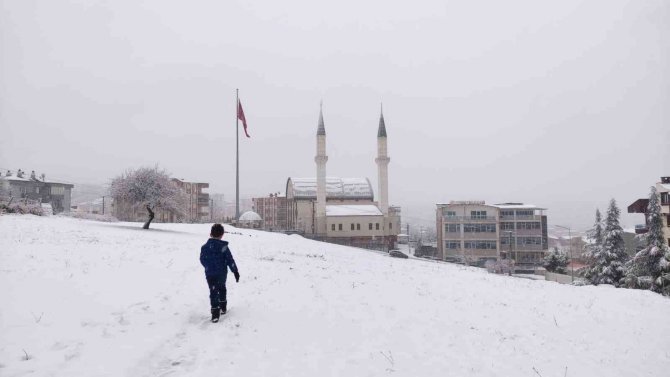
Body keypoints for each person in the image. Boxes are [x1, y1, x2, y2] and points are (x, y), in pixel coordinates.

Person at [200, 223, 240, 323]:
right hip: (222, 273)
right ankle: (223, 307)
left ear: (210, 234)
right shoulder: (224, 247)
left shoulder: (205, 247)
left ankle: (215, 313)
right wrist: (235, 271)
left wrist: (208, 266)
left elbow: (202, 259)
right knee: (222, 288)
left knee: (213, 291)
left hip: (210, 274)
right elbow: (230, 260)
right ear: (222, 235)